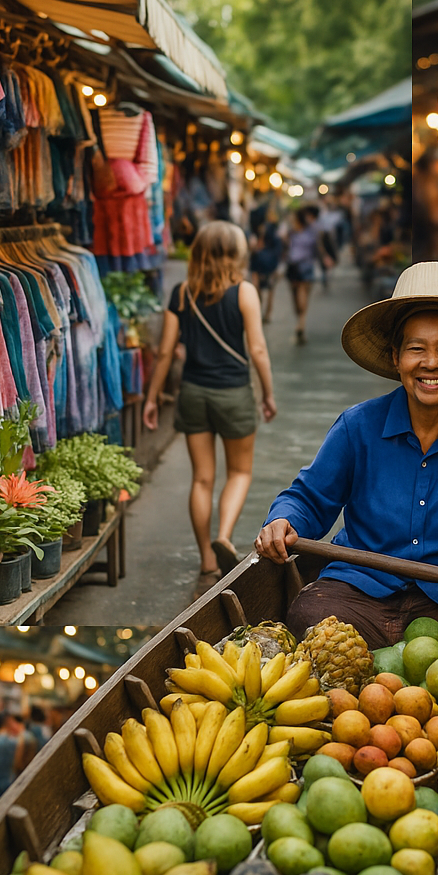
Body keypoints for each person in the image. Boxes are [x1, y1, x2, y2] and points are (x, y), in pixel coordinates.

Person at [255, 261, 438, 649]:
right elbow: (309, 499)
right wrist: (282, 520)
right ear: (396, 357)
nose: (431, 363)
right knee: (309, 613)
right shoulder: (357, 426)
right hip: (362, 592)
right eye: (417, 349)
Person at [144, 221, 276, 596]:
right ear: (236, 253)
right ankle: (224, 537)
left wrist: (152, 398)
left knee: (202, 478)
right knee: (239, 472)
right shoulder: (245, 292)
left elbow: (167, 351)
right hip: (233, 393)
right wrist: (268, 394)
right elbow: (258, 351)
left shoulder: (181, 294)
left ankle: (206, 560)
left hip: (194, 393)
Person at [284, 205, 333, 345]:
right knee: (299, 296)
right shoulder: (294, 231)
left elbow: (318, 247)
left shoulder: (301, 231)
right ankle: (300, 321)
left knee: (299, 295)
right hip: (299, 266)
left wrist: (324, 257)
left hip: (300, 266)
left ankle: (301, 323)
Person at [249, 202, 283, 323]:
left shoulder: (267, 229)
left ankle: (265, 313)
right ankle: (262, 312)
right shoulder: (263, 229)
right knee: (264, 289)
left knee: (267, 289)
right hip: (261, 263)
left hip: (266, 263)